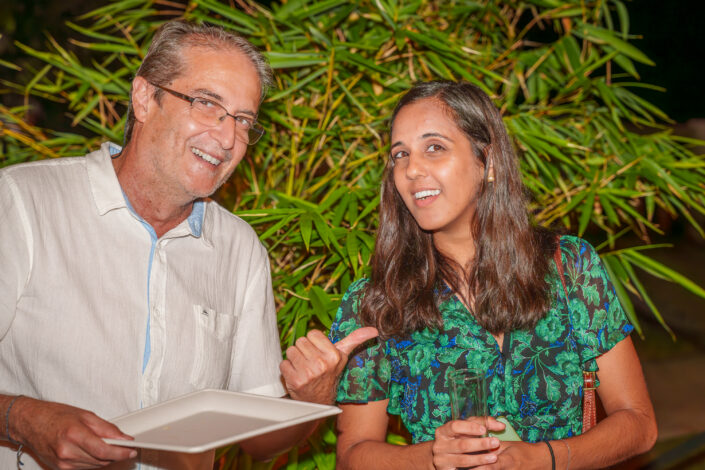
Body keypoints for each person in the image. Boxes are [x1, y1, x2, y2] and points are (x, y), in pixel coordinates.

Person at [0, 20, 375, 470]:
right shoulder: (22, 203)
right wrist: (23, 418)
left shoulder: (239, 250)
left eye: (243, 120)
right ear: (144, 97)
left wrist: (311, 400)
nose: (228, 138)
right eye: (206, 103)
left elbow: (260, 444)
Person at [328, 80, 657, 469]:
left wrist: (543, 459)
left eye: (434, 148)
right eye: (400, 154)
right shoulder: (377, 302)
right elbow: (353, 454)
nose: (411, 169)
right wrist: (431, 458)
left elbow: (639, 424)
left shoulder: (569, 267)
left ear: (488, 161)